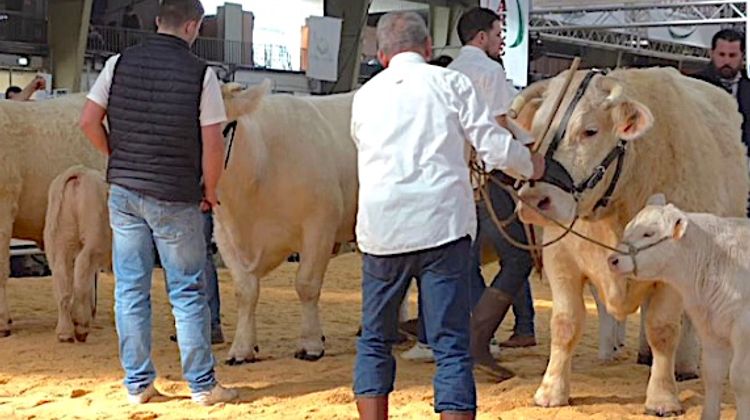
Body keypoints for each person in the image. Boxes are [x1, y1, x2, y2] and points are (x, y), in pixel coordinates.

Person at [351, 11, 544, 419]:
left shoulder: (366, 95)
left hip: (382, 230)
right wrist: (531, 165)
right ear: (427, 49)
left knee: (374, 340)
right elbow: (492, 147)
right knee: (451, 344)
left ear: (382, 55)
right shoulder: (452, 84)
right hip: (443, 228)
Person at [79, 0, 237, 406]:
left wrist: (116, 155)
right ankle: (202, 385)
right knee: (186, 291)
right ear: (192, 26)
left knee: (130, 289)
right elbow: (213, 143)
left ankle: (138, 384)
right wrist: (211, 190)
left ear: (156, 22)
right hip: (176, 195)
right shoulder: (202, 75)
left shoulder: (117, 63)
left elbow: (88, 121)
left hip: (125, 193)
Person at [401, 7, 538, 376]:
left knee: (462, 260)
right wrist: (528, 155)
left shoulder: (448, 73)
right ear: (481, 37)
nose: (500, 41)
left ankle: (457, 334)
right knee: (518, 257)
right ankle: (481, 336)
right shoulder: (490, 71)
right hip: (491, 176)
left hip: (455, 179)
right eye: (496, 34)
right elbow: (498, 126)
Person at [691, 29, 750, 215]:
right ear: (711, 54)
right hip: (704, 173)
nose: (726, 60)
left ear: (742, 56)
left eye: (732, 55)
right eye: (721, 54)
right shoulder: (693, 86)